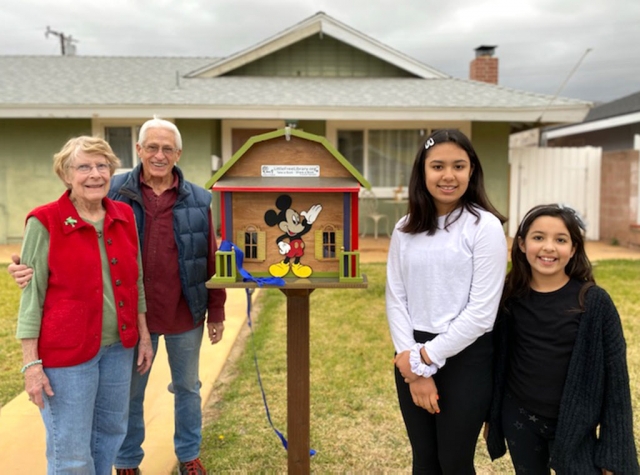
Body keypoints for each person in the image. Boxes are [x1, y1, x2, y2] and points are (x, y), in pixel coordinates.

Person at [10, 117, 227, 475]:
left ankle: (188, 453)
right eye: (151, 147)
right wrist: (28, 265)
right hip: (118, 327)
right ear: (138, 150)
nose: (159, 155)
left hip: (178, 314)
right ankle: (127, 460)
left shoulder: (195, 199)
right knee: (125, 400)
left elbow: (207, 257)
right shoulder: (113, 193)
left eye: (167, 148)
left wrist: (216, 310)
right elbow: (60, 247)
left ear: (178, 154)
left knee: (185, 387)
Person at [15, 136, 153, 474]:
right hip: (67, 356)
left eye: (102, 166)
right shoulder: (44, 222)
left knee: (110, 435)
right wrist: (31, 365)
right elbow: (31, 297)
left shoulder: (123, 216)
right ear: (66, 174)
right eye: (84, 167)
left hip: (119, 349)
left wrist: (144, 335)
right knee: (72, 451)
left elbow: (135, 281)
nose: (95, 174)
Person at [387, 129, 508, 473]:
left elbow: (482, 313)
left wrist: (425, 360)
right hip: (410, 354)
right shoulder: (405, 228)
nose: (448, 176)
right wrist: (410, 362)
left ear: (472, 171)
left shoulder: (483, 227)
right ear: (422, 172)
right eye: (437, 166)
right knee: (424, 460)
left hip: (465, 358)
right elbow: (396, 297)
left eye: (459, 166)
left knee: (453, 462)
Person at [486, 204, 639, 474]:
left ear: (574, 248)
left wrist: (614, 453)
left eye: (560, 240)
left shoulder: (594, 302)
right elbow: (497, 361)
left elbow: (616, 382)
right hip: (520, 418)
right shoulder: (508, 297)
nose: (549, 247)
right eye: (538, 237)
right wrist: (493, 418)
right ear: (521, 244)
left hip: (575, 424)